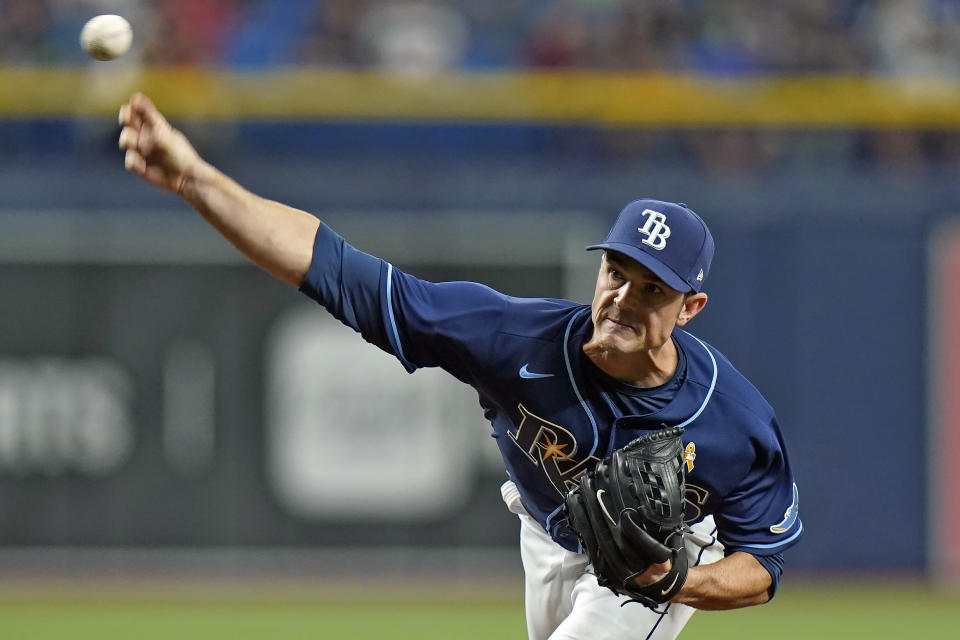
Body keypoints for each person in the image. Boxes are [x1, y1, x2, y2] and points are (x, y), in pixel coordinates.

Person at [117, 92, 802, 640]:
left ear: (691, 308)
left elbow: (763, 567)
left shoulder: (729, 420)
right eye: (616, 272)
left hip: (664, 554)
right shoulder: (514, 340)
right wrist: (194, 179)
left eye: (653, 288)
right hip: (546, 535)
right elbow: (338, 271)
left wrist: (673, 578)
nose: (624, 297)